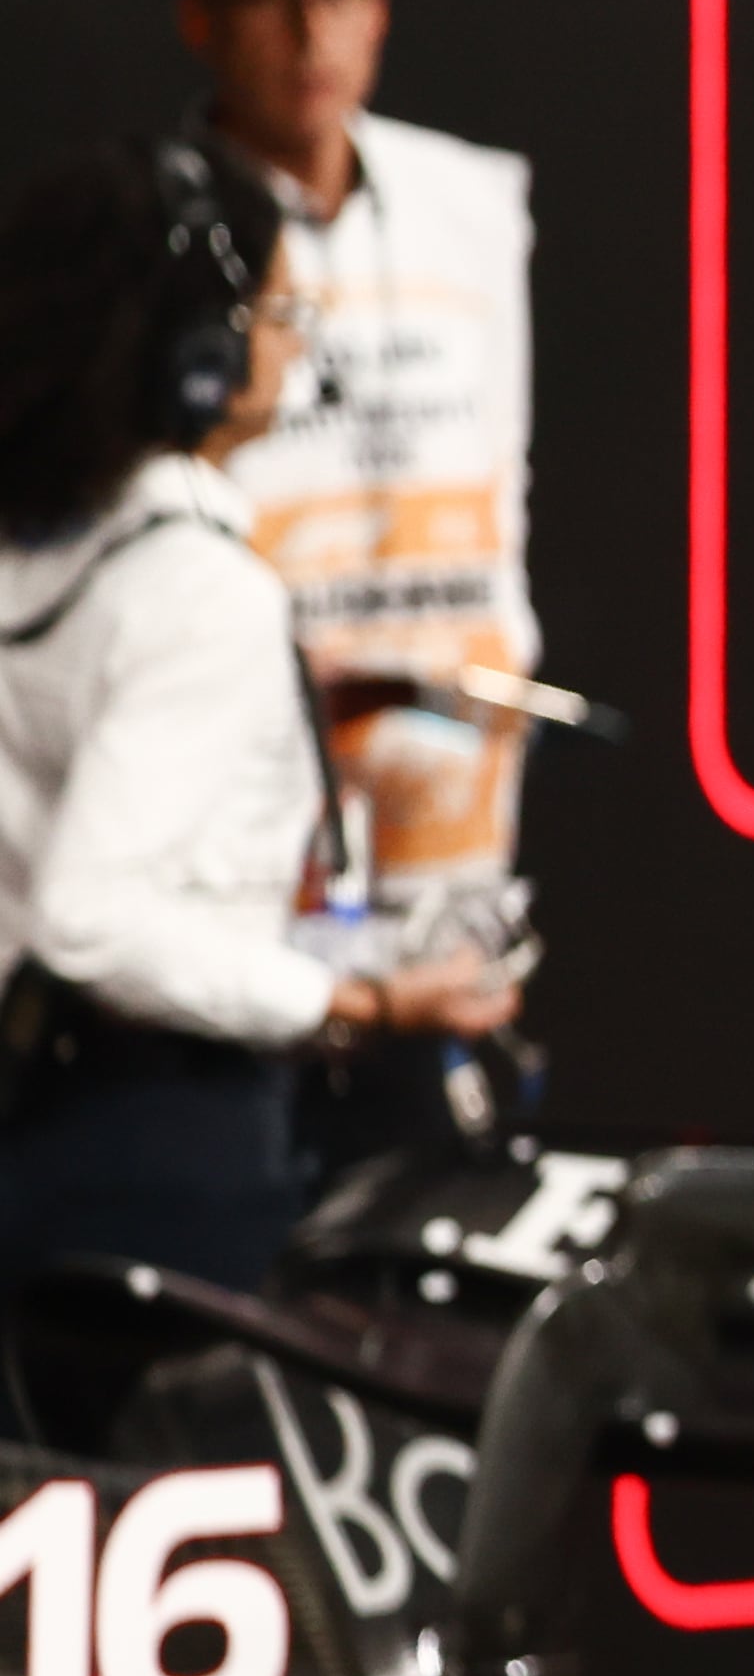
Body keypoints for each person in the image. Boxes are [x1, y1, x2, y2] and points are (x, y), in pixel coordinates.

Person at [0, 142, 519, 1296]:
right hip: (155, 1151)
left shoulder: (57, 548)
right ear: (202, 355)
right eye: (275, 309)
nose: (290, 341)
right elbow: (89, 922)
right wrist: (362, 1000)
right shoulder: (196, 590)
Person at [177, 0, 543, 1157]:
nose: (312, 36)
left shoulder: (477, 208)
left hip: (450, 816)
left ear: (380, 6)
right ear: (205, 16)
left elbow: (505, 465)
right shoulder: (157, 228)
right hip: (249, 826)